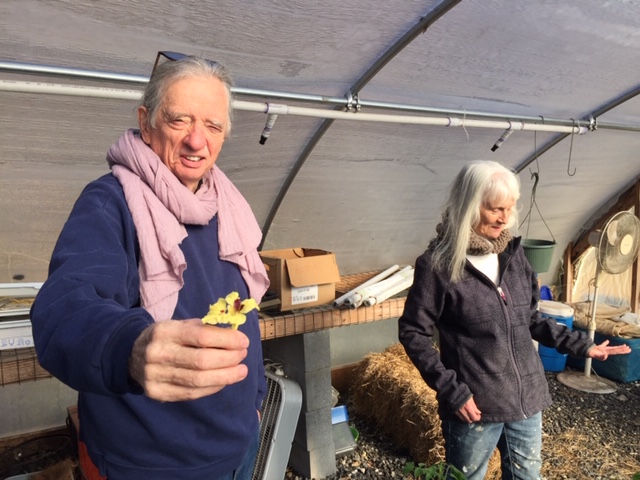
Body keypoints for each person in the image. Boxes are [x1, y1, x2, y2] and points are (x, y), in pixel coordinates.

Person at [31, 52, 270, 480]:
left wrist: (254, 400)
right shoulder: (111, 203)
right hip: (150, 465)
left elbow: (243, 310)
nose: (198, 141)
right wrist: (130, 347)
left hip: (238, 447)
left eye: (213, 126)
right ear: (146, 122)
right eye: (180, 120)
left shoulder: (229, 207)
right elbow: (65, 308)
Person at [398, 160, 631, 479]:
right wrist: (453, 391)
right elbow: (414, 334)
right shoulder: (438, 266)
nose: (505, 218)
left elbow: (530, 319)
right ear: (469, 207)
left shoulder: (513, 255)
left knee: (526, 476)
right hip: (475, 405)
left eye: (510, 207)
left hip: (526, 398)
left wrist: (583, 346)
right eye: (495, 209)